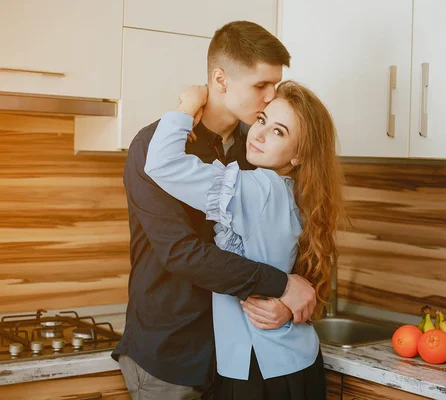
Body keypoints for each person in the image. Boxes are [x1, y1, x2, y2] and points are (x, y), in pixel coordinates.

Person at [112, 21, 318, 400]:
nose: (272, 97)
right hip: (172, 356)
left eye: (275, 84)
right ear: (220, 79)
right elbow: (183, 254)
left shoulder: (257, 148)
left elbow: (294, 235)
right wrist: (283, 286)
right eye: (261, 86)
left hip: (238, 358)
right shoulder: (153, 146)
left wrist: (292, 304)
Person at [144, 80, 344, 400]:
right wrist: (286, 306)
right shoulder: (299, 195)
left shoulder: (253, 189)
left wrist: (186, 105)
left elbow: (160, 163)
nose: (260, 133)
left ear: (298, 155)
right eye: (262, 120)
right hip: (298, 360)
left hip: (258, 369)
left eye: (279, 132)